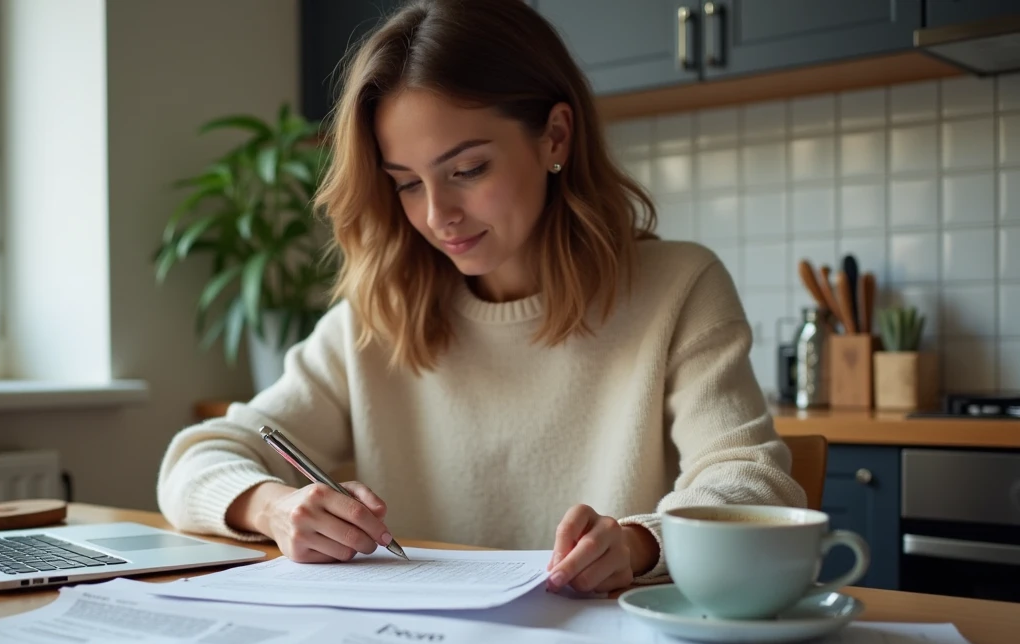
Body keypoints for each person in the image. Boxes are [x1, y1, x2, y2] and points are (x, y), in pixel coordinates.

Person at [157, 0, 805, 594]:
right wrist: (272, 506)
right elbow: (194, 460)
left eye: (466, 170)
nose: (439, 214)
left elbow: (753, 481)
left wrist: (639, 544)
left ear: (554, 137)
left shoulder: (678, 287)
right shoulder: (378, 316)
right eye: (407, 183)